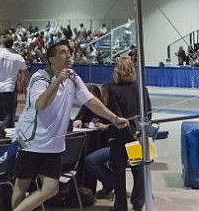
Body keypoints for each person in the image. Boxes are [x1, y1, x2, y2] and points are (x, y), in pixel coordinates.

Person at [11, 41, 129, 211]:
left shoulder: (73, 77)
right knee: (22, 185)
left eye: (69, 52)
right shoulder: (40, 78)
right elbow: (40, 104)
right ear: (52, 59)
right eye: (63, 53)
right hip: (31, 141)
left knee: (51, 189)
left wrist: (114, 118)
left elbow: (90, 101)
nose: (68, 56)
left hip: (53, 145)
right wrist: (58, 80)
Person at [107, 57, 152, 211]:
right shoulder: (141, 87)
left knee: (118, 174)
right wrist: (139, 132)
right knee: (139, 172)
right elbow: (148, 112)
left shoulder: (113, 89)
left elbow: (118, 117)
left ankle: (121, 205)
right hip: (137, 136)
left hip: (120, 137)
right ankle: (138, 203)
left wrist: (133, 133)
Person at [0, 37, 29, 128]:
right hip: (9, 88)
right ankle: (7, 135)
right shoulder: (17, 57)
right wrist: (29, 86)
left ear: (2, 44)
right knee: (9, 112)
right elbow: (26, 74)